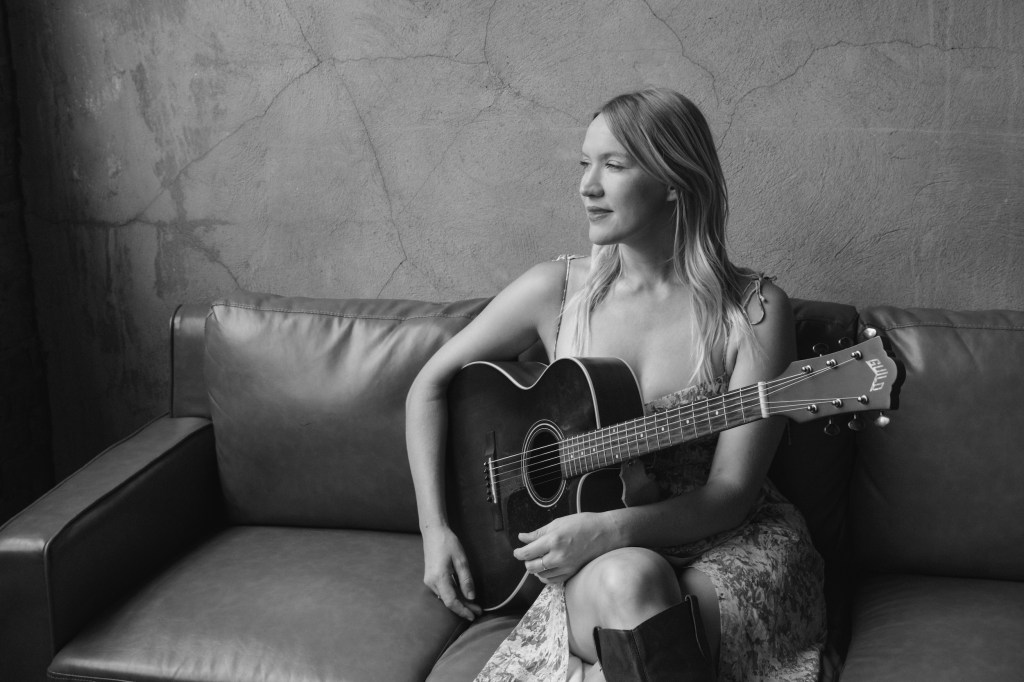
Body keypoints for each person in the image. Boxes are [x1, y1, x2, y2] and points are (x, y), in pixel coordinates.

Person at [406, 88, 826, 681]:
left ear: (674, 181)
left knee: (642, 606)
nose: (587, 186)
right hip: (603, 557)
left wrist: (605, 530)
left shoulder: (752, 311)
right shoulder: (556, 292)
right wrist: (436, 531)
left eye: (614, 165)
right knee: (630, 579)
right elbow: (429, 385)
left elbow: (731, 494)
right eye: (585, 163)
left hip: (727, 543)